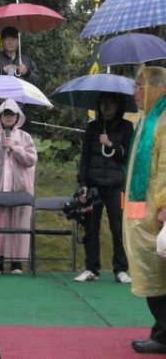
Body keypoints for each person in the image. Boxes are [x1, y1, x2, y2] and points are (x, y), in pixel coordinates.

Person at [123, 66, 166, 355]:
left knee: (160, 272)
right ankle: (161, 330)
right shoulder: (146, 119)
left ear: (155, 88)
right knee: (153, 271)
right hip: (143, 209)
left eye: (140, 87)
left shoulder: (163, 120)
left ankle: (163, 334)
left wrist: (164, 205)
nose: (135, 93)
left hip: (157, 211)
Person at [74, 92, 133, 283]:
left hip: (116, 185)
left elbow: (127, 156)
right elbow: (85, 157)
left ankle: (121, 269)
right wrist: (83, 184)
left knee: (118, 227)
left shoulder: (126, 127)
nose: (107, 107)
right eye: (103, 103)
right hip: (94, 184)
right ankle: (91, 268)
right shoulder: (92, 127)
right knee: (91, 228)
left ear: (118, 106)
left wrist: (110, 144)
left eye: (111, 103)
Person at [0, 98, 37, 274]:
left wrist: (15, 148)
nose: (9, 117)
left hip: (19, 187)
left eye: (12, 113)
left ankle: (17, 262)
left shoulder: (25, 137)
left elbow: (31, 160)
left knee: (18, 222)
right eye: (5, 113)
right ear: (0, 116)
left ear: (18, 116)